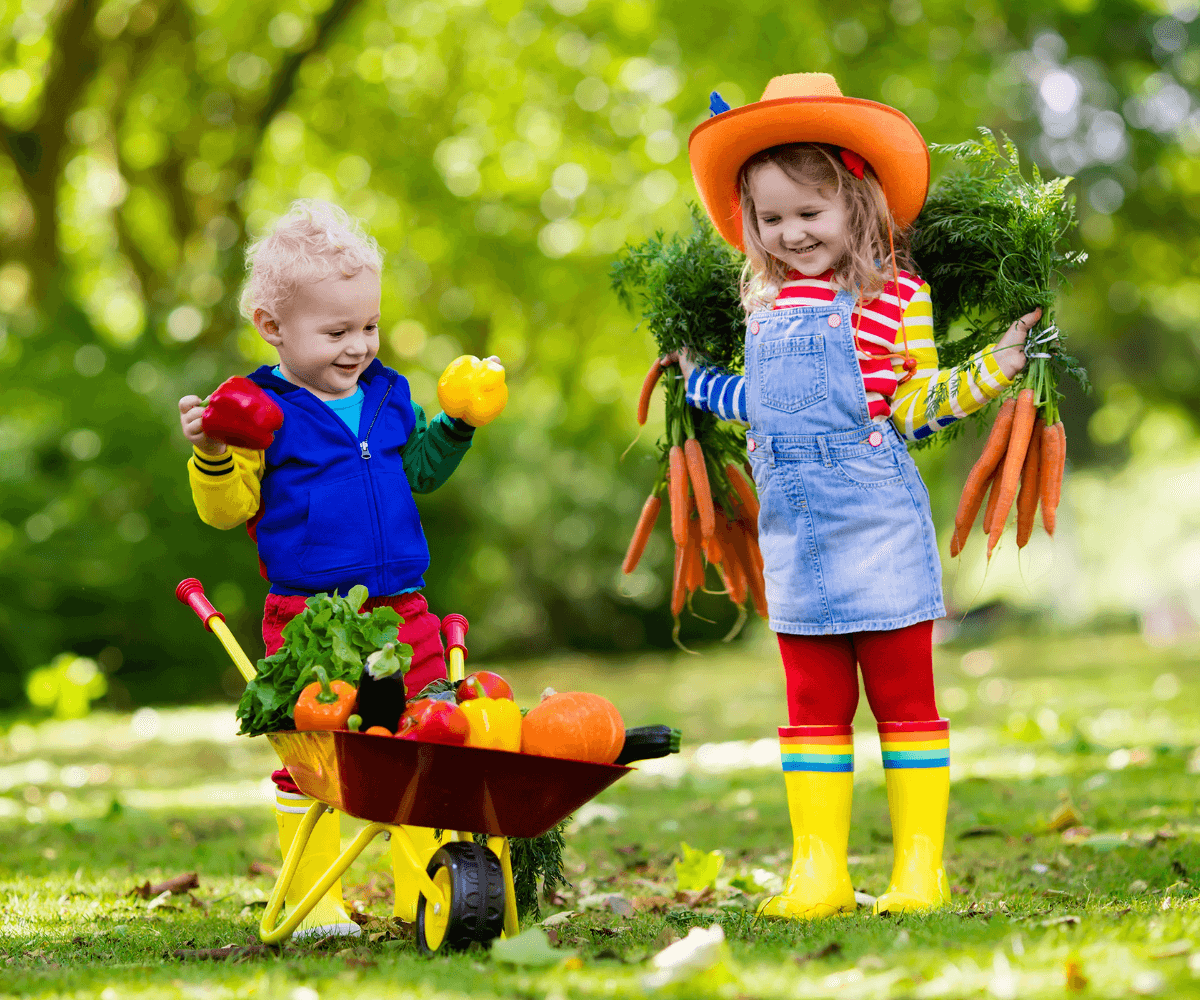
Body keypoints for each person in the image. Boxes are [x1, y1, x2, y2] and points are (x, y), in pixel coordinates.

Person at [673, 74, 1042, 918]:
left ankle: (919, 870)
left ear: (855, 205)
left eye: (810, 212)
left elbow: (913, 405)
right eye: (771, 219)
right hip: (797, 536)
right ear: (751, 225)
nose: (791, 233)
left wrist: (992, 370)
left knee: (904, 699)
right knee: (813, 704)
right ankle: (820, 871)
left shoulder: (896, 300)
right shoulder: (758, 306)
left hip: (874, 521)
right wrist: (699, 379)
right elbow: (757, 406)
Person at [177, 200, 505, 938]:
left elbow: (419, 471)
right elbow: (227, 510)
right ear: (272, 327)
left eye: (368, 326)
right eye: (336, 332)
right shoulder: (259, 408)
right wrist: (213, 452)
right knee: (315, 759)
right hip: (309, 618)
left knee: (427, 743)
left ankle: (423, 891)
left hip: (405, 609)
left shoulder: (389, 394)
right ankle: (312, 896)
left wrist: (457, 424)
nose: (358, 346)